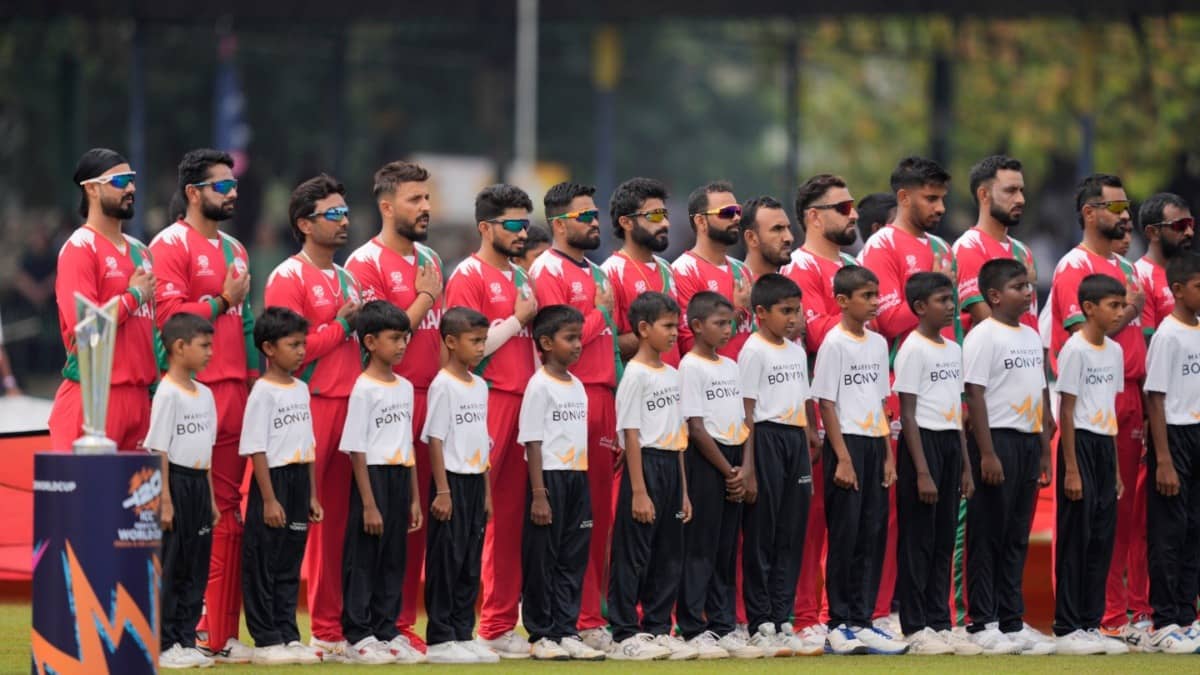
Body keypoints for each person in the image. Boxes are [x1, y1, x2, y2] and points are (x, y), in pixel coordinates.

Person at [150, 148, 256, 663]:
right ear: (193, 193)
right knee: (181, 523)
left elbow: (250, 325)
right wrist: (220, 302)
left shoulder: (236, 248)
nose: (232, 192)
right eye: (221, 185)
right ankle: (175, 632)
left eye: (232, 184)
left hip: (237, 391)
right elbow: (168, 319)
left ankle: (219, 634)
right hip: (194, 398)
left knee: (226, 519)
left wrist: (256, 379)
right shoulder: (169, 243)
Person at [344, 160, 443, 652]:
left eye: (427, 198)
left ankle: (399, 625)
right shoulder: (365, 262)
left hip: (426, 398)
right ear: (387, 206)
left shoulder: (430, 258)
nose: (425, 207)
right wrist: (424, 299)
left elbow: (440, 339)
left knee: (413, 523)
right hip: (383, 402)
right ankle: (345, 628)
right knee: (369, 527)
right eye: (414, 200)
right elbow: (378, 333)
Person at [263, 175, 362, 661]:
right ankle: (275, 629)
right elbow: (291, 353)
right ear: (304, 223)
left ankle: (329, 629)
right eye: (332, 214)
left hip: (352, 406)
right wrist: (342, 324)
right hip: (311, 405)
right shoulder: (288, 276)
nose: (344, 221)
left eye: (345, 212)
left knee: (338, 525)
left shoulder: (347, 278)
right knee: (297, 518)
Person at [1049, 174, 1149, 649]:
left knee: (1115, 518)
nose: (1127, 215)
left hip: (1121, 403)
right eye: (1116, 206)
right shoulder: (1074, 266)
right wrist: (1130, 311)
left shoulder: (1127, 270)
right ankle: (1082, 619)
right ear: (1090, 212)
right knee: (1078, 524)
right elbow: (1078, 339)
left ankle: (1106, 615)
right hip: (1083, 418)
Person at [858, 157, 956, 626]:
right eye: (929, 198)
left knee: (938, 520)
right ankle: (885, 613)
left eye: (941, 198)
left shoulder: (941, 247)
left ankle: (934, 615)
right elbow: (886, 318)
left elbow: (951, 327)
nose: (939, 207)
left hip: (943, 401)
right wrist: (930, 303)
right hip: (900, 396)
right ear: (903, 197)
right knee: (897, 518)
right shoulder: (882, 245)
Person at [443, 184, 537, 659]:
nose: (523, 232)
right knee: (476, 515)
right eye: (513, 224)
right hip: (489, 402)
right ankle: (460, 625)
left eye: (526, 222)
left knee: (512, 517)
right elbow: (465, 349)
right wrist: (518, 320)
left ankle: (499, 624)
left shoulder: (521, 275)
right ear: (486, 227)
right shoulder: (468, 275)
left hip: (525, 400)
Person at [529, 182, 620, 646]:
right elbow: (554, 337)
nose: (594, 223)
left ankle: (589, 614)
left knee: (597, 516)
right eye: (585, 216)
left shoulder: (598, 272)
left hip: (603, 396)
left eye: (595, 214)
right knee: (569, 518)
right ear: (560, 224)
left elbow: (613, 347)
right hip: (567, 401)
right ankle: (574, 620)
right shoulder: (548, 269)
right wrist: (600, 316)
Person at [810, 265, 906, 656]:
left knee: (872, 534)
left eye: (876, 295)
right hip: (845, 444)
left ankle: (863, 620)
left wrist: (886, 456)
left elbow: (881, 403)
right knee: (846, 535)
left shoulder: (879, 344)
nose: (874, 302)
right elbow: (827, 403)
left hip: (873, 444)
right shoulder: (833, 344)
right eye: (866, 296)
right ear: (843, 301)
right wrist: (843, 459)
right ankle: (837, 622)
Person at [781, 175, 860, 643]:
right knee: (811, 523)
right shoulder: (801, 268)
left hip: (863, 410)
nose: (852, 214)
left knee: (859, 523)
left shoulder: (852, 264)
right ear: (813, 216)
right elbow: (817, 334)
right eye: (842, 207)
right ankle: (808, 618)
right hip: (817, 408)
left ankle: (849, 616)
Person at [962, 259, 1055, 656]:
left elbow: (1040, 392)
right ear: (995, 295)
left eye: (1029, 285)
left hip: (1027, 439)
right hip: (995, 440)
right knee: (987, 534)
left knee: (1017, 533)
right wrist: (986, 453)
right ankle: (981, 622)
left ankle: (1011, 619)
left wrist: (1044, 451)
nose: (1028, 292)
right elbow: (975, 394)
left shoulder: (1031, 337)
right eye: (1019, 286)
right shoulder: (984, 336)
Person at [892, 272, 978, 656]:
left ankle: (940, 620)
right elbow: (907, 414)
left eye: (952, 299)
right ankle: (915, 625)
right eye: (943, 300)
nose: (951, 307)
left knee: (944, 538)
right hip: (920, 443)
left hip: (948, 441)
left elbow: (957, 410)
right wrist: (922, 470)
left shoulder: (952, 349)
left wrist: (964, 466)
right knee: (918, 540)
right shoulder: (913, 348)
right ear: (920, 307)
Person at [49, 148, 157, 451]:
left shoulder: (142, 251)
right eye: (121, 181)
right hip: (93, 400)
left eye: (132, 180)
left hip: (140, 401)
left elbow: (153, 332)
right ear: (92, 188)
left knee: (137, 499)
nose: (131, 188)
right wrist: (133, 296)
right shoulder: (79, 247)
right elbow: (85, 327)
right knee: (87, 499)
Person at [338, 301, 424, 665]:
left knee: (393, 558)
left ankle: (386, 629)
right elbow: (356, 449)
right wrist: (369, 503)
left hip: (400, 476)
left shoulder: (404, 386)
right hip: (372, 477)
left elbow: (407, 444)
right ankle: (356, 636)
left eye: (405, 338)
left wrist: (415, 498)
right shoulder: (363, 388)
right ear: (370, 342)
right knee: (364, 558)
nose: (403, 345)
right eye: (394, 338)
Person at [518, 305, 606, 662]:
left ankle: (566, 629)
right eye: (569, 338)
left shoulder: (579, 385)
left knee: (572, 557)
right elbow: (533, 442)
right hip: (549, 479)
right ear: (546, 342)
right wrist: (539, 495)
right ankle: (541, 632)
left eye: (578, 337)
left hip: (576, 476)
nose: (577, 344)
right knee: (544, 558)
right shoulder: (539, 386)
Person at [739, 274, 821, 656]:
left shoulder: (795, 349)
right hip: (767, 439)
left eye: (797, 310)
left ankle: (782, 615)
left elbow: (803, 396)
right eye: (785, 311)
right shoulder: (754, 351)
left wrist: (811, 433)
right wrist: (750, 465)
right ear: (760, 313)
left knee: (791, 530)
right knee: (762, 532)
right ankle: (759, 620)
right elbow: (748, 412)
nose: (793, 318)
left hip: (794, 438)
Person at [608, 291, 693, 661]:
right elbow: (630, 434)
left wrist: (685, 493)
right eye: (668, 326)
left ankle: (658, 627)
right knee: (634, 553)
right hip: (644, 467)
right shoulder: (635, 376)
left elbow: (678, 438)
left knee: (668, 554)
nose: (676, 333)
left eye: (677, 325)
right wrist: (638, 492)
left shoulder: (673, 374)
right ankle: (624, 631)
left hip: (671, 465)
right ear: (643, 329)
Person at [675, 292, 758, 659]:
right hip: (707, 461)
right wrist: (728, 470)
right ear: (696, 326)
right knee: (700, 547)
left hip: (734, 460)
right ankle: (693, 625)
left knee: (726, 547)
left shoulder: (730, 366)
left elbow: (744, 420)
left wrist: (745, 467)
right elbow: (695, 426)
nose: (728, 330)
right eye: (719, 324)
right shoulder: (690, 367)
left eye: (730, 323)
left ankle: (724, 624)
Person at [239, 307, 323, 666]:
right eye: (293, 344)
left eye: (303, 344)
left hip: (298, 481)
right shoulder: (262, 392)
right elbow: (256, 446)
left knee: (290, 560)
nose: (301, 351)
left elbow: (308, 445)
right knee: (264, 560)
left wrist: (313, 493)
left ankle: (288, 634)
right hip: (272, 482)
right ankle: (265, 638)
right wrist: (269, 499)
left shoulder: (302, 388)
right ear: (270, 348)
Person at [1052, 274, 1130, 655]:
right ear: (1088, 308)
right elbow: (1066, 410)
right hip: (1078, 444)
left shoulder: (1114, 351)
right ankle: (1067, 627)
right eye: (1113, 306)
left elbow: (1107, 411)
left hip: (1103, 445)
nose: (1120, 313)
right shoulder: (1075, 350)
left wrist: (1114, 469)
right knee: (1076, 538)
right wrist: (1070, 468)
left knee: (1101, 537)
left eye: (1122, 305)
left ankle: (1091, 621)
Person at [420, 307, 495, 664]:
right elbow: (435, 439)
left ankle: (463, 631)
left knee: (469, 561)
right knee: (446, 560)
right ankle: (440, 637)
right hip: (451, 483)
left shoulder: (479, 385)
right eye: (474, 341)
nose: (481, 347)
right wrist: (443, 490)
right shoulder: (442, 385)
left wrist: (487, 493)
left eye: (483, 340)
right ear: (451, 342)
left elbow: (481, 441)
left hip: (475, 483)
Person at [148, 313, 220, 670]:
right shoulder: (167, 393)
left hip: (198, 487)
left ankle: (186, 637)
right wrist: (164, 499)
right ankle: (164, 642)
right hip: (174, 484)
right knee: (173, 565)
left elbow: (204, 451)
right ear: (179, 347)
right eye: (204, 346)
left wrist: (210, 499)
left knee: (196, 565)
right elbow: (159, 448)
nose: (211, 352)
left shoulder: (205, 394)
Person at [1143, 252, 1200, 654]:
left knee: (1195, 529)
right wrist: (1163, 458)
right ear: (1177, 290)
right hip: (1175, 436)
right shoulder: (1167, 335)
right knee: (1169, 531)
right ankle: (1163, 620)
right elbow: (1156, 399)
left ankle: (1187, 615)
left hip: (1198, 432)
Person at [952, 155, 1039, 333]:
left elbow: (1031, 319)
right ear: (984, 194)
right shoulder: (968, 248)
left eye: (1021, 190)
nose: (1021, 199)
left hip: (1028, 358)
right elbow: (989, 322)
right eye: (1010, 191)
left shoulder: (1023, 251)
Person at [602, 177, 679, 369]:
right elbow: (607, 344)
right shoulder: (610, 272)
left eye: (665, 215)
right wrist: (655, 335)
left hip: (674, 387)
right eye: (654, 216)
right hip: (638, 389)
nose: (665, 224)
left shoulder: (667, 268)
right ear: (626, 222)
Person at [672, 181, 752, 359]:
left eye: (737, 211)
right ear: (701, 221)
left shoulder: (742, 269)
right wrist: (737, 311)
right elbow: (689, 344)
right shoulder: (684, 270)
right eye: (727, 212)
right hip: (712, 383)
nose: (736, 218)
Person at [1135, 192, 1193, 337]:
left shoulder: (1194, 272)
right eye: (1180, 225)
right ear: (1153, 232)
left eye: (1191, 223)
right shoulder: (1139, 277)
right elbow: (1148, 344)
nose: (1189, 232)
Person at [739, 196, 794, 279]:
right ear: (751, 238)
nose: (789, 238)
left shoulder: (792, 286)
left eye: (788, 228)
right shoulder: (732, 287)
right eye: (777, 229)